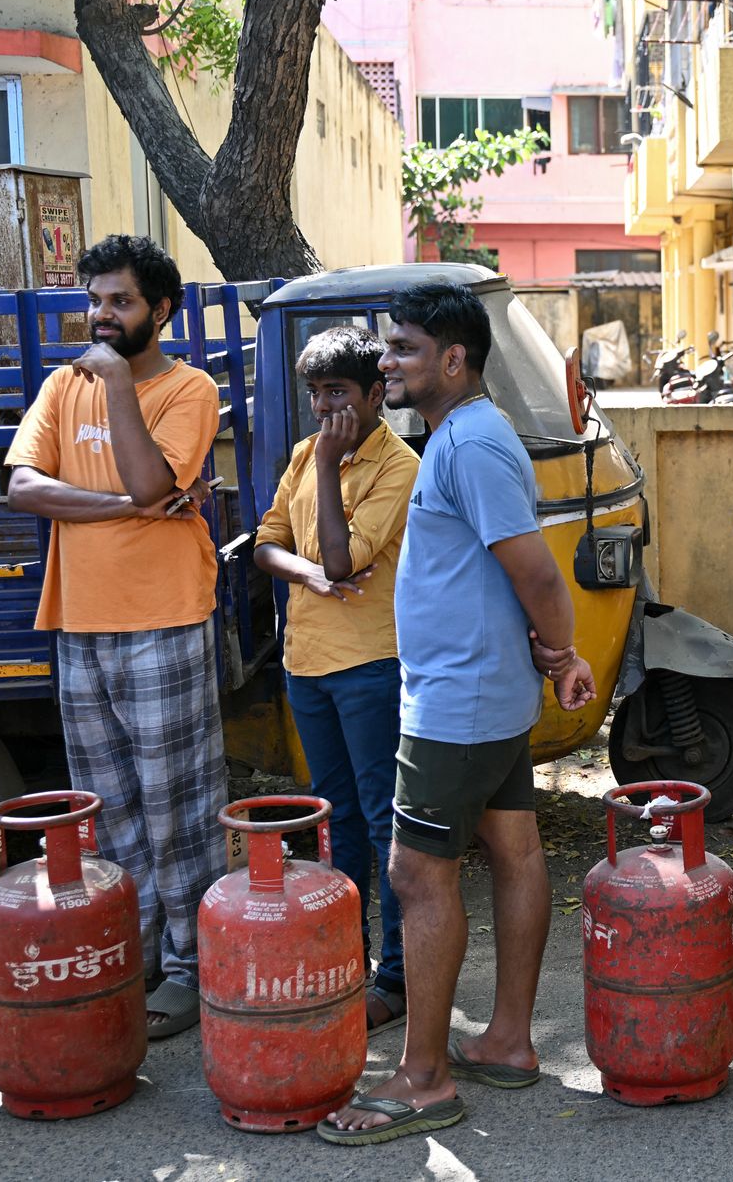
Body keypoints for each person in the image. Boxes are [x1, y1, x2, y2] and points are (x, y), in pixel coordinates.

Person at [321, 284, 598, 1146]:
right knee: (514, 849)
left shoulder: (470, 443)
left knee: (415, 874)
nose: (386, 361)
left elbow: (540, 574)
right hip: (478, 690)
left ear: (453, 359)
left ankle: (424, 1076)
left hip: (459, 703)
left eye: (402, 347)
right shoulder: (467, 437)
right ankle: (510, 1039)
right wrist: (547, 653)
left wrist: (565, 653)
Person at [5, 234, 224, 1040]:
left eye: (120, 301)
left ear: (160, 311)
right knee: (116, 812)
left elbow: (149, 478)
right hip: (82, 621)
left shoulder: (188, 389)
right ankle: (136, 957)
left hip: (163, 616)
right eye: (94, 299)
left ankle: (194, 968)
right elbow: (23, 484)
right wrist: (126, 508)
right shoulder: (63, 388)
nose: (101, 314)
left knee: (180, 807)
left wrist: (119, 398)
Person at [254, 325, 421, 1033]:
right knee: (336, 818)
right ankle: (343, 961)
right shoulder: (302, 453)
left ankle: (400, 976)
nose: (326, 410)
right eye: (316, 395)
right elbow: (267, 543)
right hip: (308, 665)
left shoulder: (398, 465)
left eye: (340, 393)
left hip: (371, 667)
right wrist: (310, 571)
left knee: (387, 822)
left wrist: (326, 470)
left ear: (377, 394)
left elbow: (347, 559)